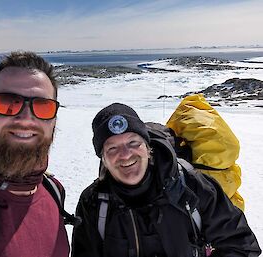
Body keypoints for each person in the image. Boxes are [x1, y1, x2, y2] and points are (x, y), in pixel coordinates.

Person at [71, 103, 261, 257]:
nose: (125, 155)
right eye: (112, 148)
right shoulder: (94, 204)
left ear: (148, 148)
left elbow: (241, 245)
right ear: (103, 158)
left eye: (133, 143)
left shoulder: (191, 186)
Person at [0, 52, 69, 257]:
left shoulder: (53, 191)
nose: (26, 119)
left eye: (42, 107)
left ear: (54, 121)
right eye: (8, 103)